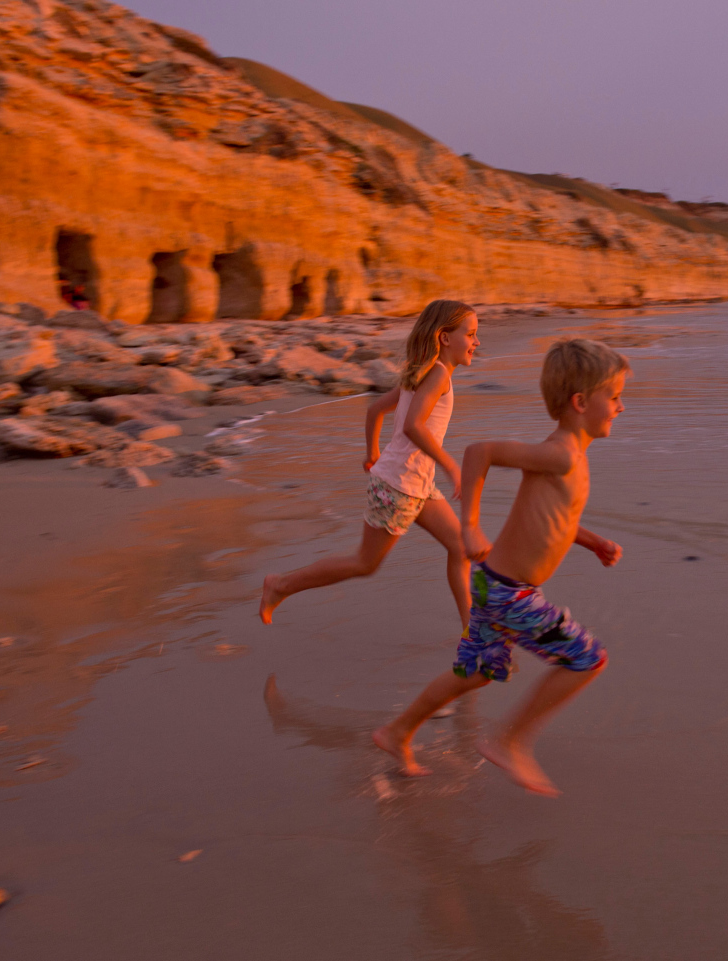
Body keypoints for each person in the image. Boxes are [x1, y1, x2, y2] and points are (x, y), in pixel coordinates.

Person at [373, 338, 628, 797]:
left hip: (494, 586)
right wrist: (468, 525)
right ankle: (509, 740)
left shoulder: (571, 456)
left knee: (476, 672)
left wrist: (592, 542)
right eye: (614, 398)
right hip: (512, 593)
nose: (621, 407)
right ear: (581, 402)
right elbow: (478, 452)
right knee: (588, 659)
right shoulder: (561, 454)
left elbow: (557, 518)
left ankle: (397, 732)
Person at [260, 299, 479, 627]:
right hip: (400, 486)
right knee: (364, 563)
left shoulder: (423, 372)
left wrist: (372, 453)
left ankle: (472, 629)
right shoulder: (437, 377)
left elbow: (375, 410)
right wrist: (450, 465)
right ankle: (279, 586)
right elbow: (413, 425)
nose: (477, 342)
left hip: (413, 483)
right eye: (471, 334)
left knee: (460, 546)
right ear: (445, 338)